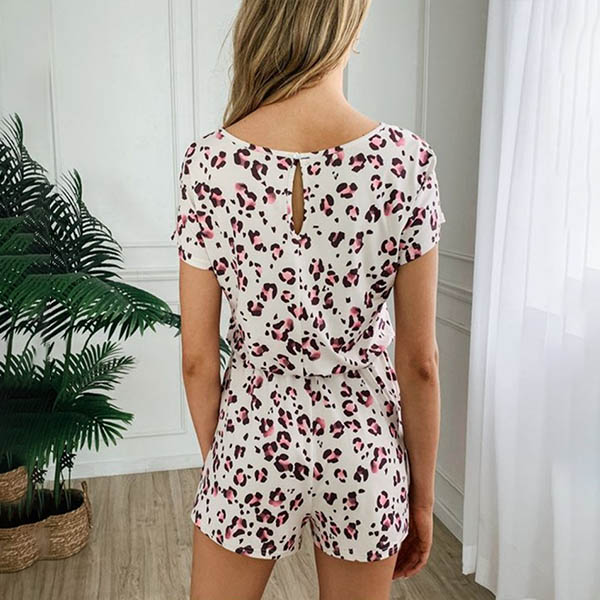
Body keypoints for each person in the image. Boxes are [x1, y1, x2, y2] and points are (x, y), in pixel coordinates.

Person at [172, 1, 446, 598]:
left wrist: (228, 464)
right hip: (364, 446)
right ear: (347, 29)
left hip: (252, 434)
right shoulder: (405, 162)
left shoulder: (209, 163)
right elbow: (419, 362)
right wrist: (421, 501)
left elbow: (196, 359)